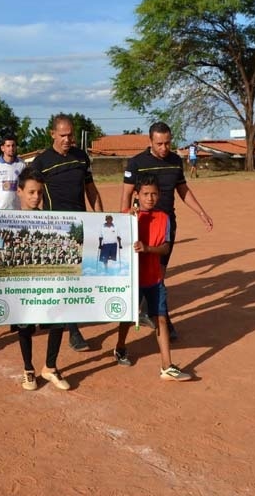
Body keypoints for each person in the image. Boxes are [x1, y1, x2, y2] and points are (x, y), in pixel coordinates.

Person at [0, 167, 70, 391]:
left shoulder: (52, 219)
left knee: (58, 319)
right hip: (21, 283)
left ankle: (51, 366)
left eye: (40, 193)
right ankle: (28, 369)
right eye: (32, 192)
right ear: (20, 192)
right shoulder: (6, 219)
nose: (36, 197)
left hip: (46, 282)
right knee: (25, 324)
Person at [120, 122, 213, 341]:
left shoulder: (175, 161)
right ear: (150, 142)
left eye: (168, 143)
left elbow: (182, 190)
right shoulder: (136, 163)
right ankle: (155, 318)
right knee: (143, 273)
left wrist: (201, 212)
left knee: (159, 272)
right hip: (141, 225)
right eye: (160, 143)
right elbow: (126, 194)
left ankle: (155, 314)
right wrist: (124, 222)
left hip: (166, 225)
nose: (164, 148)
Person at [31, 114, 103, 352]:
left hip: (81, 226)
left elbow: (91, 189)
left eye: (70, 134)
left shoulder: (81, 157)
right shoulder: (41, 163)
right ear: (52, 134)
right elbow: (30, 193)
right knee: (65, 280)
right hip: (55, 229)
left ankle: (58, 318)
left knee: (76, 278)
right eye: (62, 135)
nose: (67, 139)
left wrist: (101, 217)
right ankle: (73, 331)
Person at [112, 174, 192, 381]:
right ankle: (120, 346)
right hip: (131, 279)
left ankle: (167, 365)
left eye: (154, 194)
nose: (150, 198)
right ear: (136, 195)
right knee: (128, 318)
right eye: (146, 194)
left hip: (154, 278)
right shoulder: (126, 217)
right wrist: (128, 217)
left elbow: (165, 248)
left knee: (161, 319)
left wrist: (147, 248)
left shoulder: (164, 218)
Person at [0, 134, 25, 210]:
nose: (11, 148)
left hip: (16, 210)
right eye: (8, 146)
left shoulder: (22, 165)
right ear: (2, 148)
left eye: (13, 145)